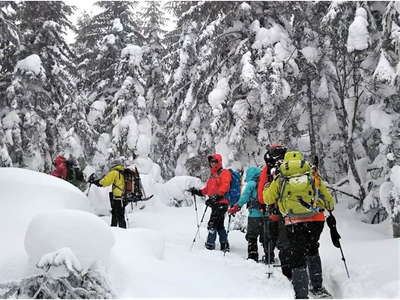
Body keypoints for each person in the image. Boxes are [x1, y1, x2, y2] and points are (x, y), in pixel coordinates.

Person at [264, 151, 335, 299]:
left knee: (297, 255)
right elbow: (328, 200)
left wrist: (267, 187)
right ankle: (317, 287)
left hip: (294, 221)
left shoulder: (281, 176)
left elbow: (268, 199)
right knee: (313, 249)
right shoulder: (311, 173)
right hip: (316, 219)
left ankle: (301, 294)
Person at [258, 144, 292, 279]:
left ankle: (287, 272)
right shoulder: (293, 167)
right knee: (294, 240)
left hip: (275, 211)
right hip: (296, 211)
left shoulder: (267, 170)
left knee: (277, 240)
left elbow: (261, 195)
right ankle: (299, 266)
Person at [189, 154, 231, 251]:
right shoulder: (213, 175)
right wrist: (198, 192)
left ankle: (210, 244)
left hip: (221, 203)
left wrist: (216, 197)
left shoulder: (224, 173)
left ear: (219, 162)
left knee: (212, 224)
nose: (212, 164)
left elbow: (225, 186)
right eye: (211, 162)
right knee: (219, 225)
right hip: (215, 204)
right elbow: (208, 190)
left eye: (214, 161)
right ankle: (224, 245)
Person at [228, 166, 269, 262]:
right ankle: (269, 256)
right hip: (267, 215)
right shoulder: (266, 183)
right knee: (267, 237)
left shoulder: (251, 184)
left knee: (252, 236)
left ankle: (252, 256)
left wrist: (236, 206)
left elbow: (244, 197)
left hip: (254, 216)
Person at [89, 158, 127, 228]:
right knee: (119, 214)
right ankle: (118, 228)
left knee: (116, 213)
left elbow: (105, 182)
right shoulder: (123, 172)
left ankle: (118, 229)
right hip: (123, 197)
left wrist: (96, 182)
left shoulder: (114, 172)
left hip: (117, 197)